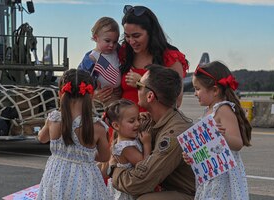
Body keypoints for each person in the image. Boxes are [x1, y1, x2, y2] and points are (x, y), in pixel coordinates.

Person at [110, 65, 196, 200]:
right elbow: (118, 140)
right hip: (164, 188)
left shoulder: (174, 133)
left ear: (150, 96)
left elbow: (139, 183)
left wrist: (113, 170)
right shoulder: (149, 120)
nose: (137, 89)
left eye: (139, 86)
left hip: (185, 193)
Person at [96, 5, 189, 111]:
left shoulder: (170, 57)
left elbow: (176, 101)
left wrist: (141, 84)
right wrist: (95, 95)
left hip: (153, 125)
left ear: (151, 33)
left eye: (136, 36)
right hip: (122, 124)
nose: (131, 41)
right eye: (127, 36)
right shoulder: (124, 53)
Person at [37, 69, 111, 199]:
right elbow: (105, 157)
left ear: (61, 94)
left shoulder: (53, 120)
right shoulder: (97, 127)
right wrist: (85, 154)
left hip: (55, 179)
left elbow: (42, 138)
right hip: (85, 181)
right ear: (91, 95)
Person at [183, 61, 251, 200]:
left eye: (197, 89)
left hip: (224, 175)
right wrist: (193, 155)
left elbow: (237, 143)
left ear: (214, 90)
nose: (195, 94)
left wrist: (222, 136)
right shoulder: (207, 112)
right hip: (210, 174)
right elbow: (207, 147)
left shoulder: (223, 109)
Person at [102, 99, 152, 200]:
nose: (138, 124)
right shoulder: (126, 147)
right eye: (132, 121)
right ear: (116, 126)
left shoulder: (123, 137)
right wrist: (147, 144)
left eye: (138, 119)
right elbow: (145, 167)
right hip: (128, 192)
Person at [78, 17, 122, 108]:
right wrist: (92, 93)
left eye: (115, 42)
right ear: (96, 38)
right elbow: (80, 80)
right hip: (99, 97)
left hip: (117, 94)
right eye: (107, 41)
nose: (111, 45)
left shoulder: (118, 52)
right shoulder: (90, 58)